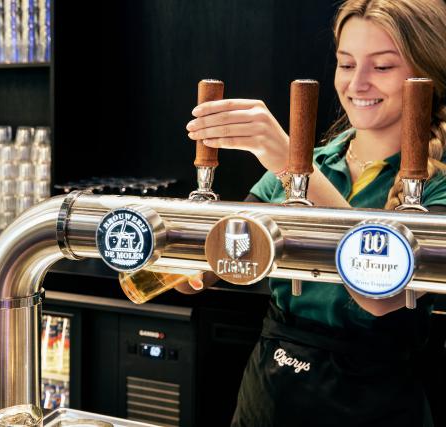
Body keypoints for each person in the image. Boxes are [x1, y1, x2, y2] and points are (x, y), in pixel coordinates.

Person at [184, 0, 446, 425]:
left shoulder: (436, 183)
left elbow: (380, 296)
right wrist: (171, 255)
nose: (357, 83)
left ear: (427, 75)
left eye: (381, 67)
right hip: (269, 394)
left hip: (375, 405)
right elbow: (214, 266)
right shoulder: (318, 160)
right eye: (346, 64)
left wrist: (290, 163)